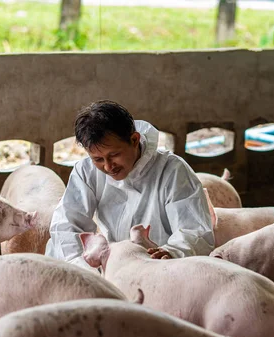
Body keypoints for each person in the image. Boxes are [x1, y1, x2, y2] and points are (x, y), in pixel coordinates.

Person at [45, 100, 215, 269]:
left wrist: (173, 252)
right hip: (112, 265)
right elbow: (67, 225)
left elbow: (194, 229)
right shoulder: (86, 171)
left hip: (161, 267)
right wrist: (83, 267)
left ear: (134, 140)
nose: (108, 166)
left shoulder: (172, 171)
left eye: (114, 155)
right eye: (98, 159)